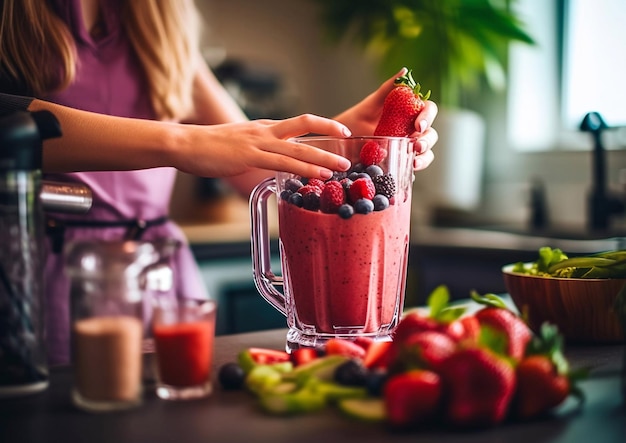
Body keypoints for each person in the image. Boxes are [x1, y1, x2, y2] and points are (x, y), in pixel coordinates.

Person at [0, 0, 438, 366]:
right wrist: (183, 141)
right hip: (52, 276)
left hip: (163, 279)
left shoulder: (156, 23)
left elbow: (251, 163)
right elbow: (11, 120)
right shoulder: (13, 22)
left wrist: (350, 134)